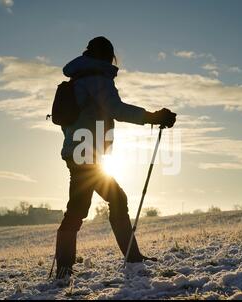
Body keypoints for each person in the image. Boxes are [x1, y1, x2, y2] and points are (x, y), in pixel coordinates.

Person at [55, 36, 176, 279]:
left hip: (79, 152)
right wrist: (153, 117)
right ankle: (68, 268)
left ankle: (68, 267)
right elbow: (117, 110)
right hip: (87, 155)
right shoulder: (96, 77)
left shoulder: (78, 78)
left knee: (89, 206)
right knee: (93, 206)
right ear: (106, 56)